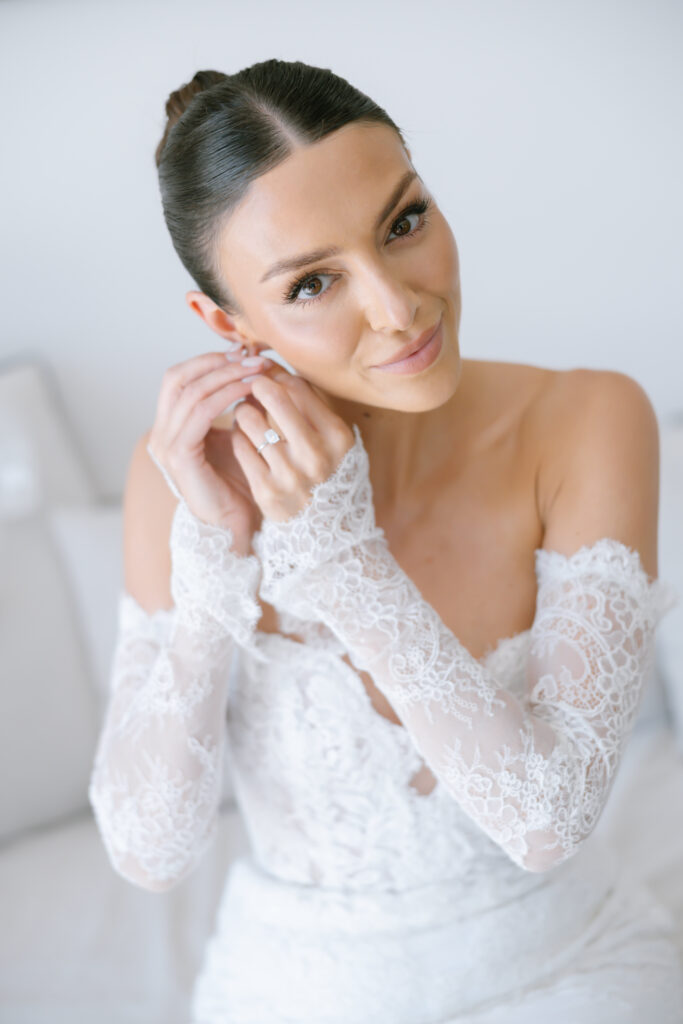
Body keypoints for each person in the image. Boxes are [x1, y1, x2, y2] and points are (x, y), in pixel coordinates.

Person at [88, 59, 683, 1023]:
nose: (398, 308)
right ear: (229, 324)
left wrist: (343, 562)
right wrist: (211, 565)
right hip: (293, 986)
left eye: (403, 222)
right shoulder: (182, 478)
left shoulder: (588, 419)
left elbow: (549, 819)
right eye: (314, 282)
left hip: (568, 967)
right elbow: (148, 854)